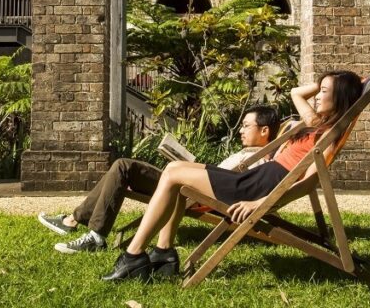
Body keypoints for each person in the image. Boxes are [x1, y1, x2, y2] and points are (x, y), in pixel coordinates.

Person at [101, 70, 364, 282]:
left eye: (324, 92)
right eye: (318, 91)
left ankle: (134, 256)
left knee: (173, 175)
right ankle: (162, 253)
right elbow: (297, 92)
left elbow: (309, 182)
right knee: (172, 171)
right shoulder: (315, 125)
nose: (316, 96)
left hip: (258, 188)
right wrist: (325, 83)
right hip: (258, 177)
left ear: (340, 98)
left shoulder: (327, 136)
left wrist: (262, 204)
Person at [39, 105, 281, 254]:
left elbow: (239, 187)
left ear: (264, 131)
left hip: (191, 193)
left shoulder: (260, 160)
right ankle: (74, 220)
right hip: (191, 182)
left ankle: (93, 234)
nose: (241, 130)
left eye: (246, 126)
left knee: (124, 166)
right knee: (121, 167)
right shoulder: (251, 154)